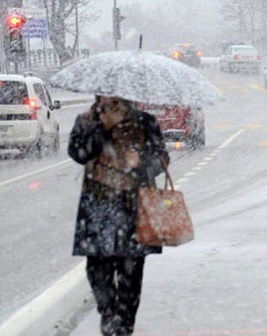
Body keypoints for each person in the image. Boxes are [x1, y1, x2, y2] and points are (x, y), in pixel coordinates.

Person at [68, 95, 170, 335]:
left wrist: (140, 163)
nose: (110, 99)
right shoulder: (87, 121)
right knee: (97, 268)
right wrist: (102, 131)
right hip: (97, 207)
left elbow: (162, 158)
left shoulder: (145, 122)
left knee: (131, 272)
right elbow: (78, 153)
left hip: (133, 207)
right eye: (105, 95)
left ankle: (125, 324)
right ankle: (107, 311)